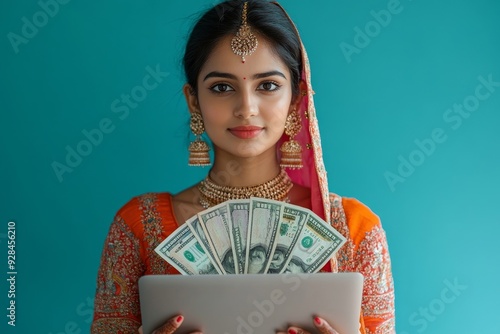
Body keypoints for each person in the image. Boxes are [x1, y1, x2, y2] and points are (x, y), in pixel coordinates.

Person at [90, 1, 395, 333]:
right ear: (193, 100)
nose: (246, 108)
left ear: (296, 99)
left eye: (267, 86)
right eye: (222, 87)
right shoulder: (137, 227)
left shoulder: (352, 230)